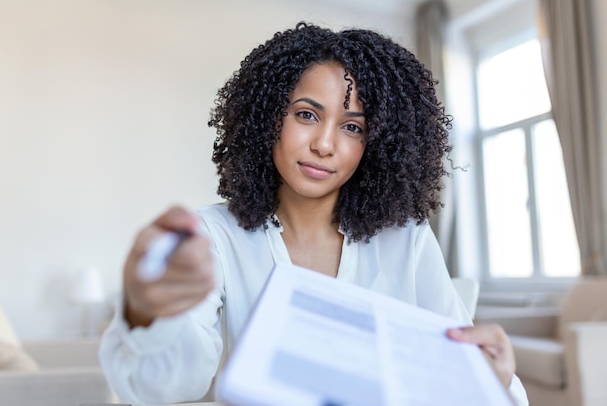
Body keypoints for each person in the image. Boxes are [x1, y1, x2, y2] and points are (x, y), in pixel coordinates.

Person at [99, 22, 528, 405]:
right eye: (306, 115)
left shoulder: (406, 239)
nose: (325, 144)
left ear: (376, 144)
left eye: (352, 126)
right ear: (268, 118)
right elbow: (170, 388)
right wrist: (147, 313)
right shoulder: (216, 236)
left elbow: (465, 380)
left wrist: (491, 381)